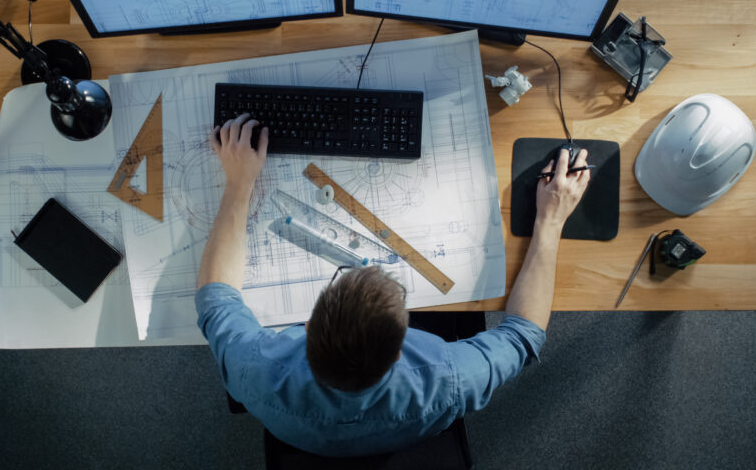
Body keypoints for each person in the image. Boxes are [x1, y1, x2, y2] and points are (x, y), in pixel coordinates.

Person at [196, 113, 591, 457]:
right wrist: (551, 221)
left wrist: (238, 183)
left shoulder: (255, 372)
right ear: (400, 351)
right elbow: (524, 335)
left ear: (308, 327)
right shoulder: (448, 380)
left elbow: (215, 298)